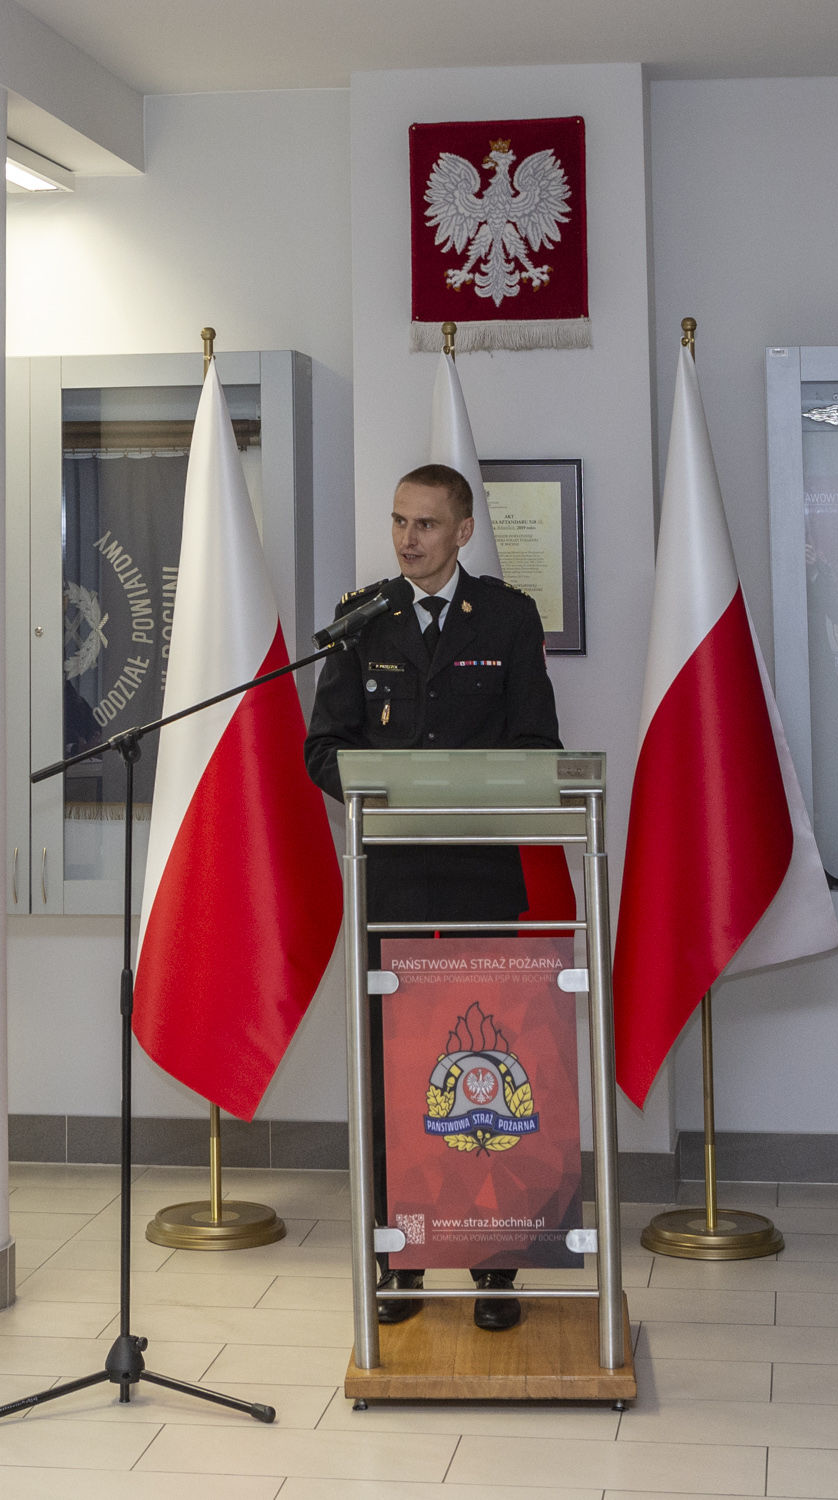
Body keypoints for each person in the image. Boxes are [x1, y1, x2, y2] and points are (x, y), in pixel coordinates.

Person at [304, 462, 560, 1334]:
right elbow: (323, 747)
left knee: (489, 1069)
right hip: (395, 878)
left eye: (424, 524)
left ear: (463, 530)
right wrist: (386, 791)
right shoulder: (363, 617)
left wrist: (464, 788)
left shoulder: (509, 617)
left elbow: (537, 742)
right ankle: (401, 1257)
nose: (407, 539)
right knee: (399, 1067)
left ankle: (494, 1266)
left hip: (482, 875)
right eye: (398, 521)